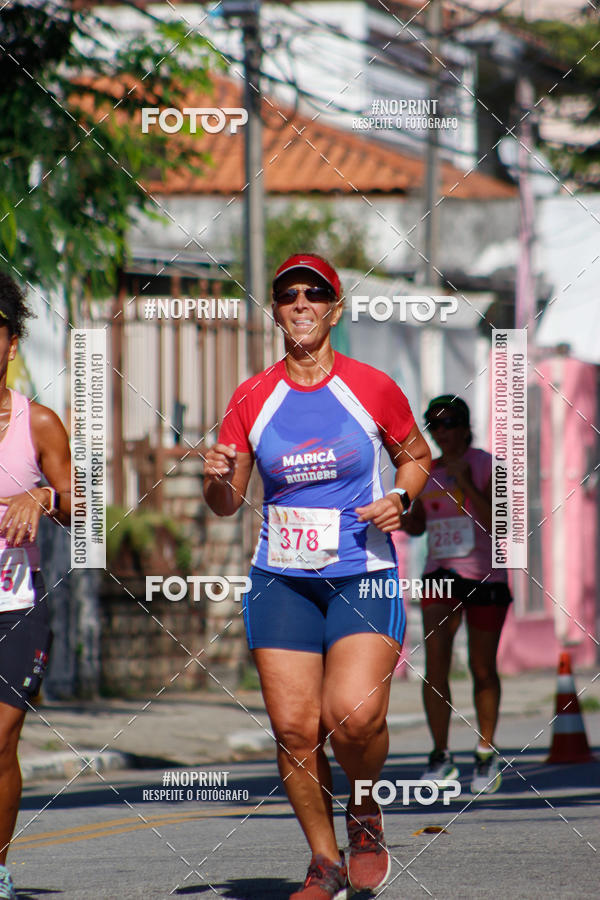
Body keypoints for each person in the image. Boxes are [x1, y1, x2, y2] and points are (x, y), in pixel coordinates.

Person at [204, 254, 431, 899]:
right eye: (287, 295)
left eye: (315, 293)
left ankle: (364, 809)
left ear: (335, 307)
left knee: (351, 720)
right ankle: (325, 862)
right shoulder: (253, 396)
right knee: (296, 729)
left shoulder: (372, 386)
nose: (300, 303)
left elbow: (415, 455)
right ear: (275, 311)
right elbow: (225, 503)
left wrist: (403, 498)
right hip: (283, 580)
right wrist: (217, 478)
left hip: (362, 572)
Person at [399, 395, 512, 795]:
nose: (441, 432)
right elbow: (415, 528)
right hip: (439, 576)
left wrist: (464, 482)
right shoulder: (425, 471)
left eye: (449, 423)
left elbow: (502, 523)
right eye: (435, 425)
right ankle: (441, 754)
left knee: (482, 668)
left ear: (465, 426)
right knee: (436, 668)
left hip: (485, 576)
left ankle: (485, 750)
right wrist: (403, 510)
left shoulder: (486, 465)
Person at [0, 272, 71, 900]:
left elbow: (89, 511)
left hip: (16, 607)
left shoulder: (39, 423)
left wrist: (42, 493)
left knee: (0, 737)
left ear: (11, 345)